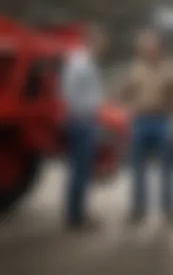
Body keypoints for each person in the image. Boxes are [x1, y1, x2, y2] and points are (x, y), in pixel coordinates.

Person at [119, 30, 173, 224]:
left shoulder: (169, 69)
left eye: (152, 47)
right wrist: (129, 102)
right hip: (140, 121)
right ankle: (138, 209)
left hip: (161, 122)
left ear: (159, 49)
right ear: (141, 51)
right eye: (144, 48)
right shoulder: (134, 69)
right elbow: (124, 94)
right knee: (138, 168)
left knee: (167, 169)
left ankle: (169, 209)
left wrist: (171, 113)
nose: (149, 51)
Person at [61, 24, 107, 230]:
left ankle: (78, 214)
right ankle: (76, 217)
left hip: (87, 120)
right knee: (80, 171)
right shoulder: (79, 62)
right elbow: (69, 93)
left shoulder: (86, 61)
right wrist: (82, 115)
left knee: (83, 171)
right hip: (81, 121)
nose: (103, 48)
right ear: (92, 41)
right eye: (101, 44)